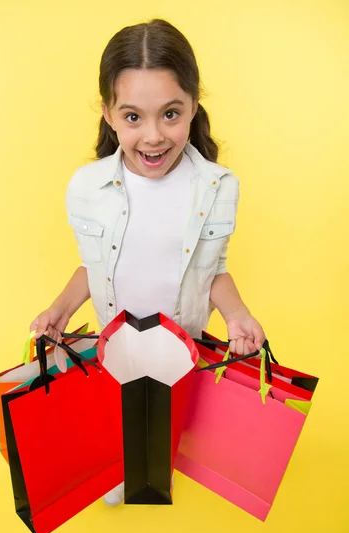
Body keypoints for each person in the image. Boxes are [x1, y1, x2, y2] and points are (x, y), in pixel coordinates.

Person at [30, 18, 266, 506]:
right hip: (114, 347)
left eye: (171, 114)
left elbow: (212, 268)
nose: (154, 137)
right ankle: (124, 464)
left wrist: (237, 314)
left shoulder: (217, 186)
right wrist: (60, 310)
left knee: (172, 441)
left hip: (184, 348)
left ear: (193, 106)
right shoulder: (86, 187)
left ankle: (166, 454)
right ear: (108, 114)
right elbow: (93, 266)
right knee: (118, 459)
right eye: (133, 117)